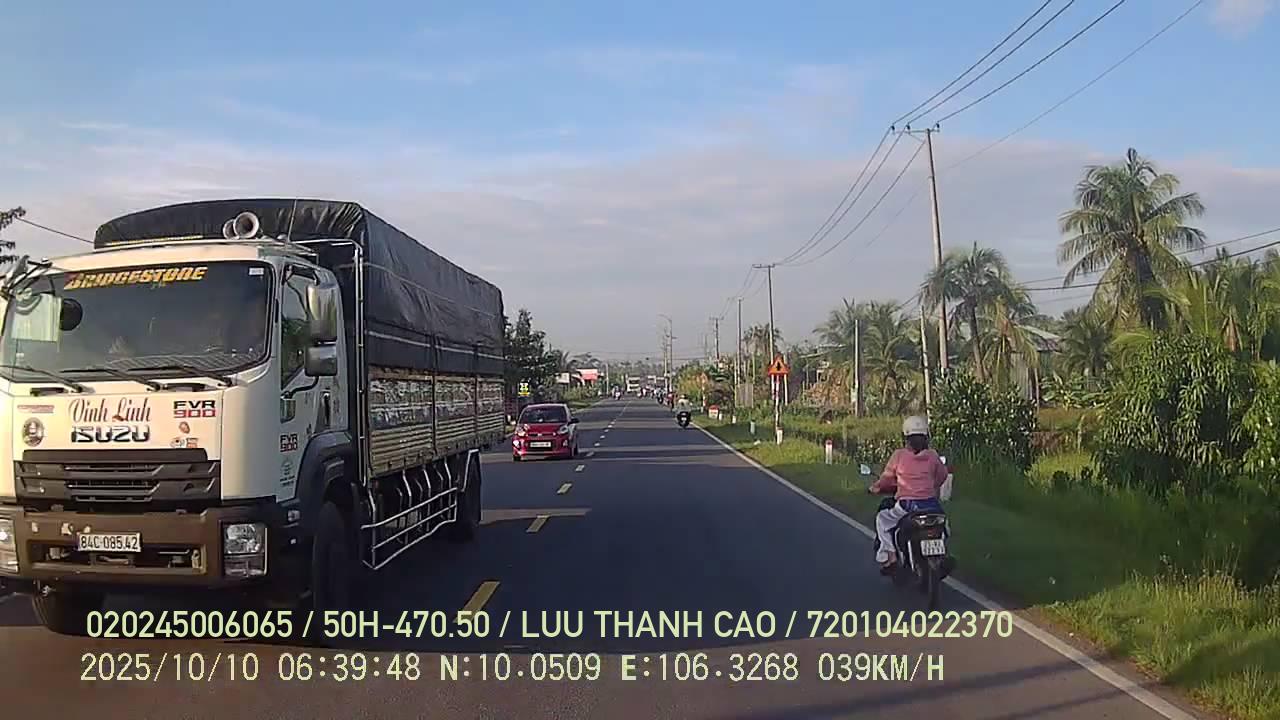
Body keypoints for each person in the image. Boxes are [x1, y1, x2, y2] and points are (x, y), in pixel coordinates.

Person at [868, 415, 949, 574]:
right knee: (944, 526)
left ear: (905, 436)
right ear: (926, 435)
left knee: (882, 520)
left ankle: (891, 557)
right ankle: (942, 554)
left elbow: (886, 479)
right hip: (931, 504)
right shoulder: (933, 455)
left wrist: (875, 488)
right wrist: (931, 487)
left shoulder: (899, 455)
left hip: (908, 506)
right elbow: (942, 475)